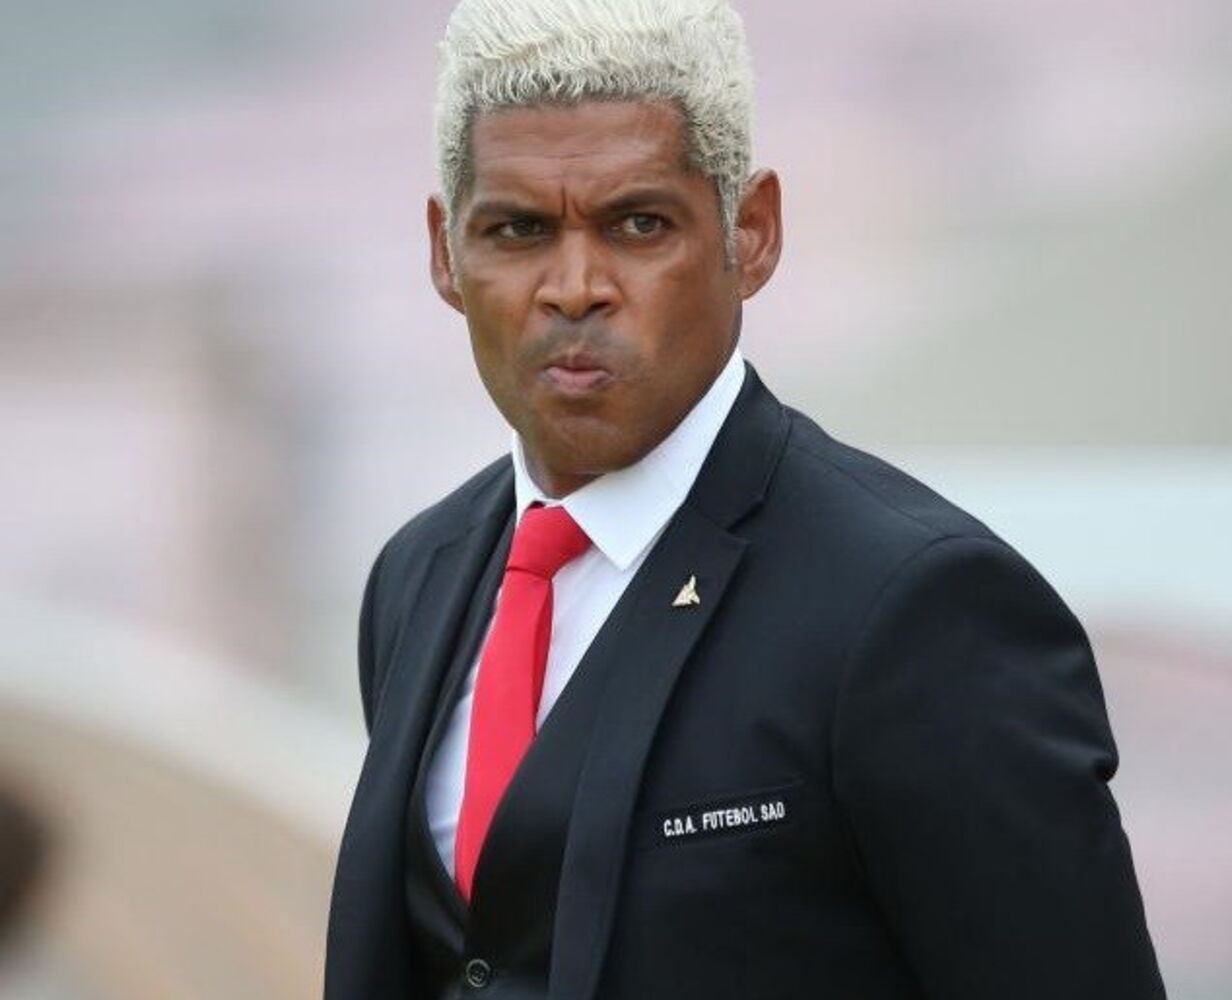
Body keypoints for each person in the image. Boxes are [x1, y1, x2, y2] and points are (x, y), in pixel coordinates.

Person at [324, 2, 1166, 998]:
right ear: (444, 252)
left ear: (752, 232)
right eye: (518, 230)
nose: (575, 286)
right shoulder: (417, 577)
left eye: (639, 224)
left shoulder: (914, 605)